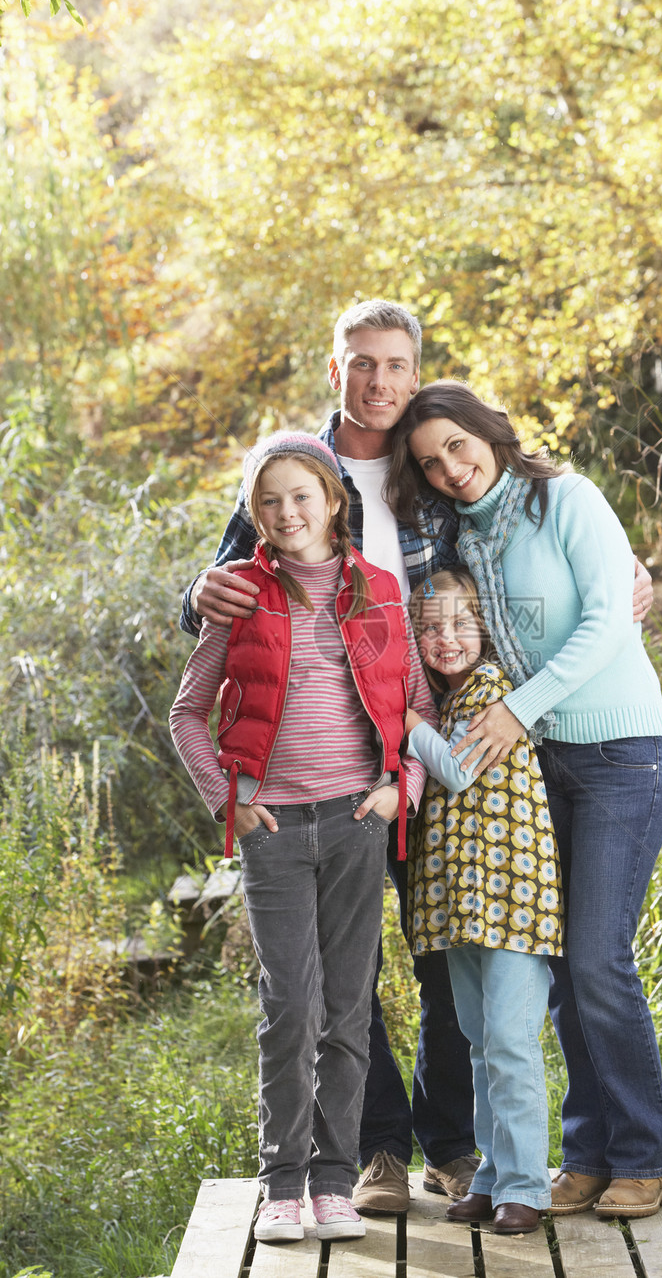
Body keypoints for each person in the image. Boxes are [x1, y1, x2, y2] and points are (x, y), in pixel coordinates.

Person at [178, 299, 655, 1215]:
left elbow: (513, 549)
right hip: (336, 769)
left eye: (397, 364)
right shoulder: (295, 474)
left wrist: (621, 569)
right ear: (337, 370)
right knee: (349, 973)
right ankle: (379, 1149)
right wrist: (199, 590)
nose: (381, 381)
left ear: (415, 368)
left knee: (447, 959)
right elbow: (222, 603)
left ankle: (454, 1147)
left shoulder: (428, 469)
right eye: (364, 364)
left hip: (433, 750)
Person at [387, 380, 662, 1221]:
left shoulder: (567, 499)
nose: (448, 468)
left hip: (619, 750)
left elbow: (607, 619)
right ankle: (586, 1154)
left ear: (489, 431)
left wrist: (520, 707)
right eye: (430, 462)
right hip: (537, 767)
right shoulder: (464, 537)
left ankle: (642, 1156)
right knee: (556, 966)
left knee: (597, 958)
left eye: (456, 445)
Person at [169, 431, 434, 1243]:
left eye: (301, 496)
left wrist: (403, 789)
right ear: (255, 515)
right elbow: (188, 714)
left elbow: (416, 705)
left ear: (333, 501)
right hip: (275, 830)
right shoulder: (242, 598)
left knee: (349, 1009)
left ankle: (333, 1182)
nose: (288, 512)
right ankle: (280, 1182)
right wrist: (230, 801)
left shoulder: (380, 592)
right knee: (291, 1007)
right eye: (270, 501)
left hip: (357, 822)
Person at [403, 567, 564, 1235]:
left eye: (460, 625)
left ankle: (527, 1183)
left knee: (510, 1042)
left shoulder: (493, 693)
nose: (446, 639)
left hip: (509, 899)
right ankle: (494, 1174)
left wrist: (406, 720)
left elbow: (461, 768)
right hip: (460, 901)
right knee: (478, 1042)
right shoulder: (450, 701)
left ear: (486, 629)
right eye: (431, 629)